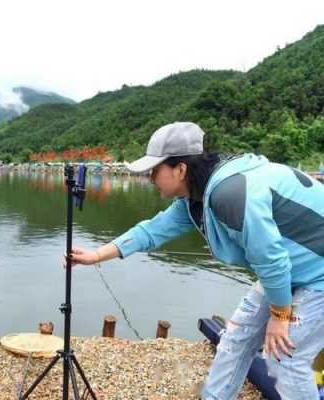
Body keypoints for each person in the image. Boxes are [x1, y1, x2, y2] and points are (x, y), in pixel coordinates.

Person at [69, 122, 324, 399]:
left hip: (315, 274)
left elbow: (271, 260)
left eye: (154, 171)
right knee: (235, 338)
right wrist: (96, 255)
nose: (149, 178)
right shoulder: (197, 197)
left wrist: (280, 315)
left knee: (285, 358)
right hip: (291, 271)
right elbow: (152, 231)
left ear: (180, 170)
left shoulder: (231, 195)